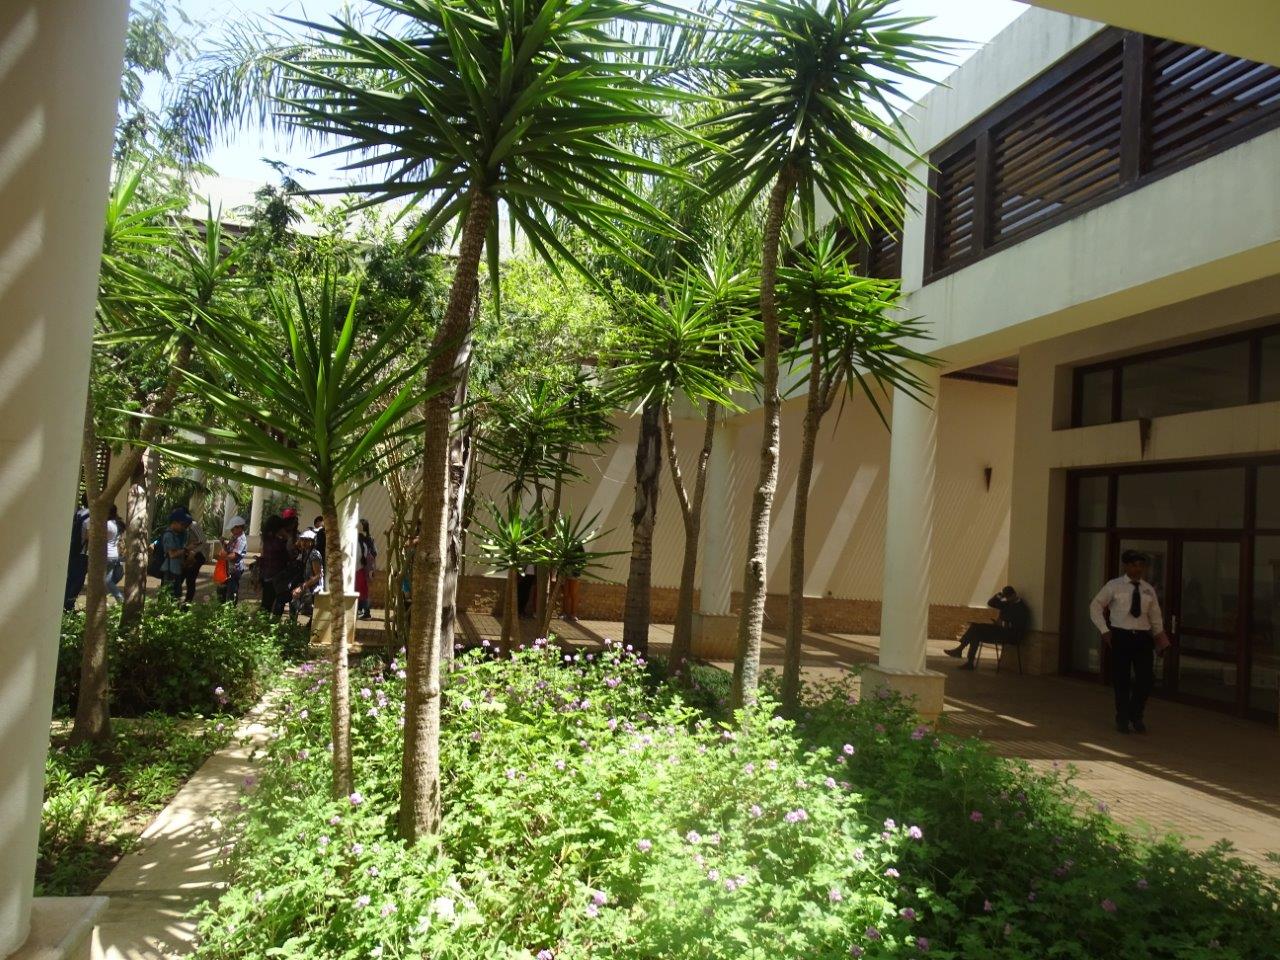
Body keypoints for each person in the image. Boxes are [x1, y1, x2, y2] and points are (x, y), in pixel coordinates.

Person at [1089, 550, 1170, 734]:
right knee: (1121, 679)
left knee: (1146, 679)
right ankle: (1123, 718)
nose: (1138, 569)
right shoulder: (1114, 586)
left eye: (1141, 565)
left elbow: (1155, 616)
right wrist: (1104, 630)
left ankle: (1136, 714)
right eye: (1134, 565)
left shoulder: (1148, 589)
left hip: (1142, 638)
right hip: (1121, 636)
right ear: (1125, 566)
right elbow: (1095, 606)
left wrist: (1161, 640)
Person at [947, 585, 1029, 670]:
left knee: (976, 629)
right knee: (975, 632)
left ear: (1014, 595)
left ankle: (960, 650)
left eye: (1009, 597)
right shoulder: (1007, 603)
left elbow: (1017, 625)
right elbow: (991, 603)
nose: (1007, 599)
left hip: (1011, 635)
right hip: (1000, 631)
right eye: (1006, 597)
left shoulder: (1021, 608)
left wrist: (1003, 622)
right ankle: (969, 661)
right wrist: (999, 595)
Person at [88, 504, 126, 604]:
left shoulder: (108, 524)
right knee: (106, 580)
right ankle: (102, 599)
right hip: (113, 555)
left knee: (106, 581)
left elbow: (96, 537)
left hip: (106, 555)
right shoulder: (116, 523)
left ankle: (120, 599)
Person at [290, 528, 325, 621]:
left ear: (312, 542)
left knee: (305, 607)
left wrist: (302, 587)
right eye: (302, 540)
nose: (303, 542)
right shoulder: (304, 553)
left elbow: (318, 575)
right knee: (293, 602)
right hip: (305, 583)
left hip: (313, 586)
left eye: (307, 540)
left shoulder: (314, 554)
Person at [258, 515, 289, 614]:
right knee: (277, 604)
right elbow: (287, 557)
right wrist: (285, 536)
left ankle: (262, 621)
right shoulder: (278, 543)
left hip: (267, 576)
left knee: (266, 604)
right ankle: (272, 622)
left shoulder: (266, 540)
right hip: (276, 577)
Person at [64, 496, 90, 611]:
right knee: (78, 580)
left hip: (73, 550)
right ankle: (69, 605)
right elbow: (89, 535)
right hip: (82, 552)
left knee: (70, 578)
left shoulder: (78, 513)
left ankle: (65, 602)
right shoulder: (90, 516)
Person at [159, 509, 189, 600]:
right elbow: (172, 554)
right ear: (174, 523)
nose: (183, 527)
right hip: (170, 570)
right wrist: (186, 549)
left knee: (176, 596)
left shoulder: (178, 535)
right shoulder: (169, 535)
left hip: (176, 570)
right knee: (168, 596)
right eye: (182, 524)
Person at [219, 516, 248, 605]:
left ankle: (231, 608)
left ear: (239, 528)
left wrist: (222, 557)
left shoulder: (241, 539)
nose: (231, 530)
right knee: (224, 589)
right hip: (229, 567)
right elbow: (228, 549)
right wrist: (224, 544)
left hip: (235, 568)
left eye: (233, 528)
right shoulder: (234, 537)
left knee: (232, 591)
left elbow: (234, 555)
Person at [181, 512, 209, 603]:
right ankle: (177, 602)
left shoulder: (193, 525)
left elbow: (203, 540)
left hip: (198, 556)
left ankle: (187, 604)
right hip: (189, 554)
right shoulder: (186, 527)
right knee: (181, 578)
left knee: (190, 580)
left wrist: (194, 552)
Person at [560, 535, 586, 622]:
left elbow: (582, 562)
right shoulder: (566, 548)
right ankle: (564, 612)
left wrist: (576, 571)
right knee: (566, 593)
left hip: (574, 574)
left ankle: (573, 614)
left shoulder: (579, 549)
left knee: (573, 594)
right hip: (566, 573)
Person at [356, 519, 377, 620]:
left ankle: (366, 611)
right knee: (362, 590)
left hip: (362, 568)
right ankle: (361, 610)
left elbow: (372, 553)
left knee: (362, 591)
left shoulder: (364, 539)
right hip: (363, 568)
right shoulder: (365, 538)